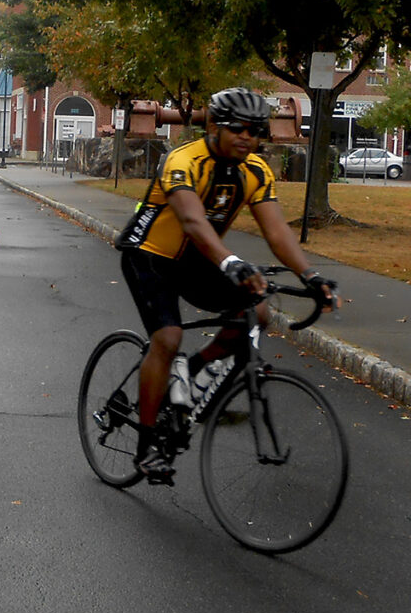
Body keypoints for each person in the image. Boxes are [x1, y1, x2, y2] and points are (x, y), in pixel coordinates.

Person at [114, 87, 339, 483]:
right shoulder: (183, 160)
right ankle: (146, 447)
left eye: (255, 132)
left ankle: (192, 370)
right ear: (214, 126)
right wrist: (231, 261)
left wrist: (311, 275)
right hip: (149, 255)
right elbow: (192, 221)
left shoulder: (255, 170)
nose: (247, 139)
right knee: (166, 338)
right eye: (238, 129)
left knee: (257, 311)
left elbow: (277, 232)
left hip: (199, 259)